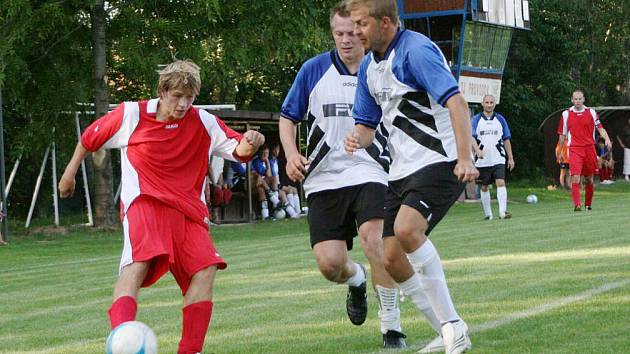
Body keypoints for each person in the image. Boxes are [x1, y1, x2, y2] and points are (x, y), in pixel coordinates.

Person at [58, 60, 264, 354]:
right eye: (177, 96)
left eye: (189, 97)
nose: (183, 104)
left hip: (188, 212)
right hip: (145, 204)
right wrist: (69, 173)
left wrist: (252, 142)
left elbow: (238, 150)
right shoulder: (132, 114)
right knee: (138, 263)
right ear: (163, 91)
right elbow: (90, 138)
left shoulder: (203, 121)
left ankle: (190, 350)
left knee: (206, 269)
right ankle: (122, 341)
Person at [344, 0, 478, 353]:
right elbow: (367, 127)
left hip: (440, 160)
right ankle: (447, 331)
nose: (355, 32)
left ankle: (452, 325)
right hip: (401, 170)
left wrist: (465, 158)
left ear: (384, 22)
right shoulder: (368, 69)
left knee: (406, 230)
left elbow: (456, 103)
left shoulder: (416, 51)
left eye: (361, 24)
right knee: (390, 257)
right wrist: (355, 137)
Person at [279, 2, 413, 348]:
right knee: (330, 264)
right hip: (324, 178)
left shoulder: (381, 69)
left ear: (363, 30)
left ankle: (391, 327)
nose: (346, 40)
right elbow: (287, 117)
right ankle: (356, 281)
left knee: (375, 240)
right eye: (338, 34)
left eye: (352, 33)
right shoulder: (313, 70)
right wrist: (292, 154)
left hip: (372, 171)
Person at [556, 90, 612, 211]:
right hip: (575, 148)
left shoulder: (591, 112)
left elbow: (600, 128)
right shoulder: (566, 114)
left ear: (584, 99)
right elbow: (562, 135)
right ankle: (577, 205)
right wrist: (560, 150)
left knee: (589, 179)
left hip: (589, 149)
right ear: (572, 100)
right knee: (575, 177)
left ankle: (588, 204)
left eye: (580, 99)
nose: (577, 101)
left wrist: (607, 139)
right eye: (575, 99)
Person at [471, 94, 515, 220]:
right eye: (487, 102)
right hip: (482, 160)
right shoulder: (476, 120)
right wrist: (477, 150)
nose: (489, 105)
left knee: (500, 182)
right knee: (484, 186)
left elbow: (506, 139)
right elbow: (471, 136)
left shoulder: (500, 119)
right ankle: (488, 214)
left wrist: (510, 158)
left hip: (498, 158)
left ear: (495, 104)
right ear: (482, 104)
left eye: (491, 102)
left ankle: (502, 212)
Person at [616, 117, 630, 181]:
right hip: (627, 147)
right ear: (628, 121)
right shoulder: (625, 129)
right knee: (627, 162)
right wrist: (621, 144)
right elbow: (618, 136)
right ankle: (626, 175)